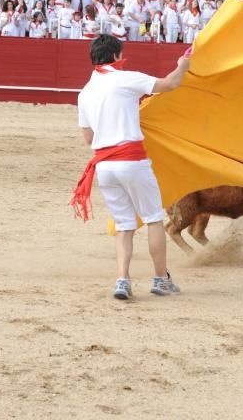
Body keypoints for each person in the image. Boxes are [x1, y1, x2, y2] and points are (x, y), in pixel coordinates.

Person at [73, 35, 189, 300]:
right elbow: (171, 83)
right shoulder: (125, 79)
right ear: (116, 56)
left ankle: (122, 280)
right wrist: (182, 65)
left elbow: (89, 139)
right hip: (132, 161)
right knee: (153, 219)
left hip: (104, 168)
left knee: (125, 225)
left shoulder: (85, 92)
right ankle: (161, 279)